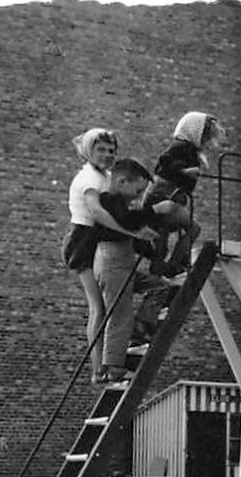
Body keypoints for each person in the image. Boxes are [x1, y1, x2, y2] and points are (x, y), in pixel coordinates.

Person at [64, 129, 156, 364]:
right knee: (98, 308)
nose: (107, 154)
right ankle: (98, 367)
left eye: (111, 150)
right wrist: (131, 231)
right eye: (101, 150)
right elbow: (97, 212)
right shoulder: (89, 179)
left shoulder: (106, 175)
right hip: (82, 242)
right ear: (89, 151)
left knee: (110, 304)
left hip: (98, 240)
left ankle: (128, 339)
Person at [89, 158, 158, 385]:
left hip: (122, 263)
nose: (137, 197)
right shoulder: (109, 201)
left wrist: (156, 255)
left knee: (160, 286)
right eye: (137, 190)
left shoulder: (120, 205)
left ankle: (141, 326)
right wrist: (153, 210)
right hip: (112, 263)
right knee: (120, 314)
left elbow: (131, 235)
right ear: (121, 181)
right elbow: (127, 221)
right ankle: (113, 367)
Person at [143, 111, 225, 277]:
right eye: (206, 136)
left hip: (164, 196)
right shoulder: (181, 147)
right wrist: (185, 171)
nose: (207, 141)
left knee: (162, 236)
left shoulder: (187, 149)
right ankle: (173, 264)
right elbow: (163, 163)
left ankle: (163, 267)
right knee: (192, 228)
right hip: (162, 195)